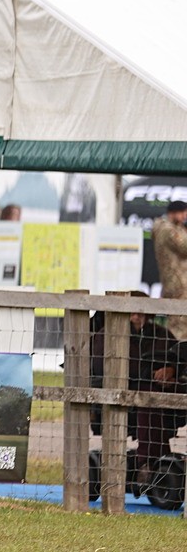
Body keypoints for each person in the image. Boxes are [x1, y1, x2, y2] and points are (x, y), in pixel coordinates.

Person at [89, 294, 186, 481]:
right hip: (124, 392)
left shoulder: (161, 334)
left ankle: (158, 462)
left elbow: (178, 357)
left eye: (141, 313)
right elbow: (103, 368)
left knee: (164, 393)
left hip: (164, 390)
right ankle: (147, 463)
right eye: (132, 313)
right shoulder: (107, 335)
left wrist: (171, 370)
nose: (137, 317)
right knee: (148, 395)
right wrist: (151, 374)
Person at [153, 199, 187, 340]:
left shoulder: (168, 228)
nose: (185, 216)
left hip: (176, 283)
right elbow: (184, 247)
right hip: (178, 284)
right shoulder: (167, 230)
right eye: (183, 213)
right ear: (174, 213)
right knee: (179, 324)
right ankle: (177, 357)